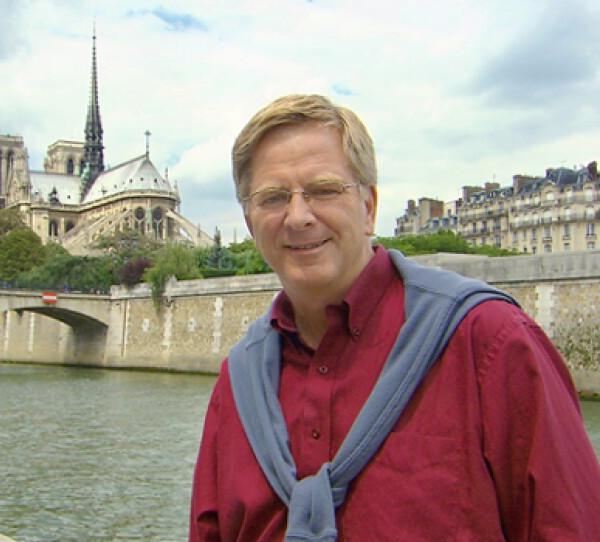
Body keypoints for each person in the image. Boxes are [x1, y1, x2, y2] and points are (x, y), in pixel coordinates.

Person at [189, 94, 600, 541]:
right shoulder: (237, 381)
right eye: (272, 198)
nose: (298, 216)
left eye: (324, 190)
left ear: (369, 208)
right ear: (250, 224)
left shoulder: (491, 343)